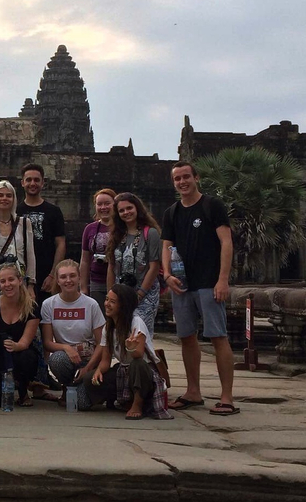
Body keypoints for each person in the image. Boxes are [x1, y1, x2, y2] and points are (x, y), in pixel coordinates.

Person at [161, 161, 238, 415]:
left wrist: (223, 279)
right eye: (177, 179)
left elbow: (226, 242)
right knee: (186, 337)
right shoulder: (172, 212)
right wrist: (168, 275)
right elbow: (166, 246)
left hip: (209, 282)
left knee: (218, 336)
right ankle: (193, 391)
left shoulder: (211, 205)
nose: (182, 182)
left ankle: (226, 397)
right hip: (182, 284)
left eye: (186, 177)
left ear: (196, 178)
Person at [81, 284, 171, 419]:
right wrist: (99, 370)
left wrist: (130, 347)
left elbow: (138, 355)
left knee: (137, 364)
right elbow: (106, 360)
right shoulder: (108, 327)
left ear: (123, 305)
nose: (107, 304)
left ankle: (137, 404)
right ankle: (120, 400)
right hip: (123, 372)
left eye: (112, 302)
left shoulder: (136, 322)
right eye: (106, 300)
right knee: (89, 378)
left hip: (144, 372)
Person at [41, 259, 105, 404]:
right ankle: (67, 386)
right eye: (63, 277)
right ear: (57, 280)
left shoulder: (91, 304)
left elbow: (102, 342)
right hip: (66, 358)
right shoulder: (48, 304)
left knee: (81, 404)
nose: (68, 280)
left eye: (72, 276)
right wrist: (66, 347)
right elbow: (47, 342)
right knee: (56, 359)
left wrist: (88, 367)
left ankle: (85, 386)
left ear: (79, 277)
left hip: (89, 358)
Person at [0, 263, 40, 407]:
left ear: (20, 280)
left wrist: (15, 346)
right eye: (3, 281)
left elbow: (25, 342)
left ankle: (23, 389)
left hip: (19, 353)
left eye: (11, 280)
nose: (7, 284)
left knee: (27, 357)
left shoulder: (32, 308)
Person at [106, 192, 161, 336]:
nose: (126, 212)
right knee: (121, 332)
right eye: (121, 210)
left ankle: (145, 359)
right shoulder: (117, 234)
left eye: (129, 208)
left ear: (137, 208)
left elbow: (154, 266)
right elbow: (111, 267)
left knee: (140, 333)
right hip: (121, 293)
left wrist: (140, 293)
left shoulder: (150, 233)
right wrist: (110, 294)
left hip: (145, 292)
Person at [16, 163, 66, 308]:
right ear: (22, 183)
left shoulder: (54, 211)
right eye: (29, 180)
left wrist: (53, 275)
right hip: (21, 275)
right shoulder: (15, 211)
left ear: (43, 183)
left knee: (47, 322)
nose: (33, 183)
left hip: (47, 275)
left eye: (37, 180)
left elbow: (60, 244)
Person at [80, 189, 116, 312]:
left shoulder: (123, 228)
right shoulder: (90, 229)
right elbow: (85, 260)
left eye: (107, 203)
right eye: (99, 204)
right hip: (96, 281)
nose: (103, 207)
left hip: (119, 281)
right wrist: (83, 287)